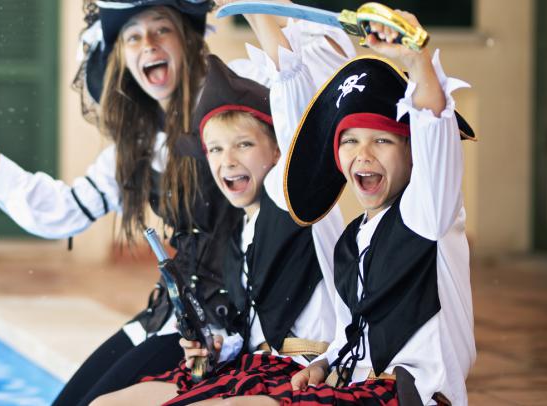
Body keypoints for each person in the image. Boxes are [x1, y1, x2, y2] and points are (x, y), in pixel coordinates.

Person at [0, 1, 240, 404]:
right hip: (170, 316)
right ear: (122, 58)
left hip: (225, 328)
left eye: (161, 30)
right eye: (133, 36)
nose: (148, 43)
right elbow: (62, 211)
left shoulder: (232, 118)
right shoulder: (135, 148)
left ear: (187, 42)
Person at [193, 10, 478, 406]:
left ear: (413, 153)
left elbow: (432, 126)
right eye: (349, 141)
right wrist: (324, 365)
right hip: (351, 387)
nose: (362, 154)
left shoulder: (427, 216)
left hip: (410, 396)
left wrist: (417, 59)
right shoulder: (351, 242)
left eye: (381, 141)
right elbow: (352, 332)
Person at [91, 10, 353, 404]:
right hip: (249, 367)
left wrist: (259, 12)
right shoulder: (240, 232)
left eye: (243, 145)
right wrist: (216, 346)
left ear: (280, 150)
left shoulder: (294, 198)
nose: (226, 161)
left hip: (301, 373)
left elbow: (294, 97)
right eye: (214, 149)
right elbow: (250, 325)